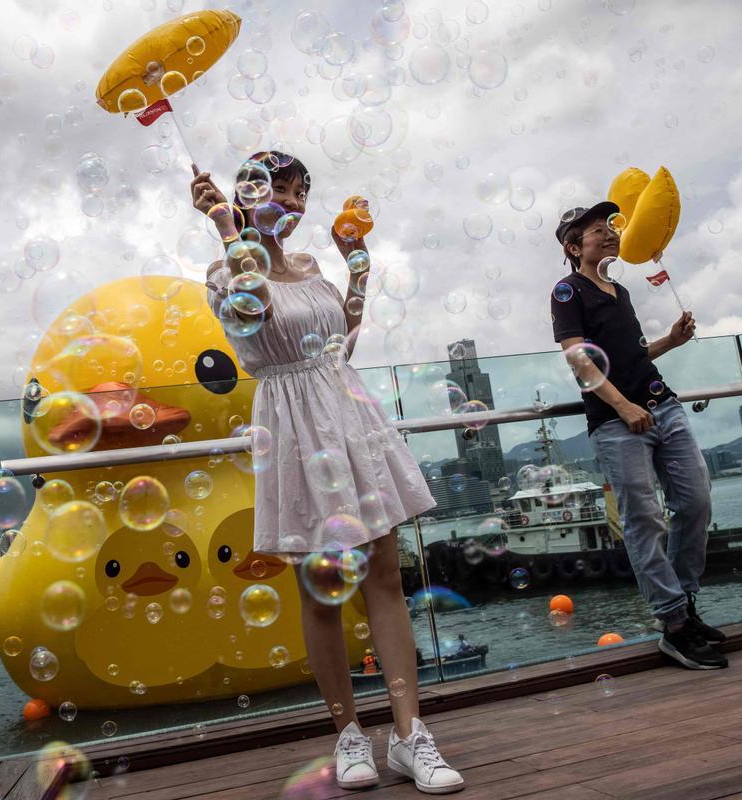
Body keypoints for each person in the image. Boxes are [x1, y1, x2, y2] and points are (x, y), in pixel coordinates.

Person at [191, 152, 465, 794]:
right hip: (291, 424)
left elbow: (342, 337)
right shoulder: (221, 267)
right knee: (320, 591)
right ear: (245, 195)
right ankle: (348, 735)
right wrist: (225, 229)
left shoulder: (312, 267)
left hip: (346, 410)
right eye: (276, 190)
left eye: (298, 193)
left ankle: (408, 736)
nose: (290, 203)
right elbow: (253, 315)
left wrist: (357, 263)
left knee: (386, 576)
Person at [549, 201, 728, 670]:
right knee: (644, 520)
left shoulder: (621, 291)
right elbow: (579, 359)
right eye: (595, 231)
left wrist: (671, 340)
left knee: (695, 502)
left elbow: (633, 353)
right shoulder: (567, 291)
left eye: (609, 227)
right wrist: (624, 407)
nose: (609, 233)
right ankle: (673, 625)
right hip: (616, 422)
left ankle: (685, 605)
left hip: (663, 406)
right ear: (573, 247)